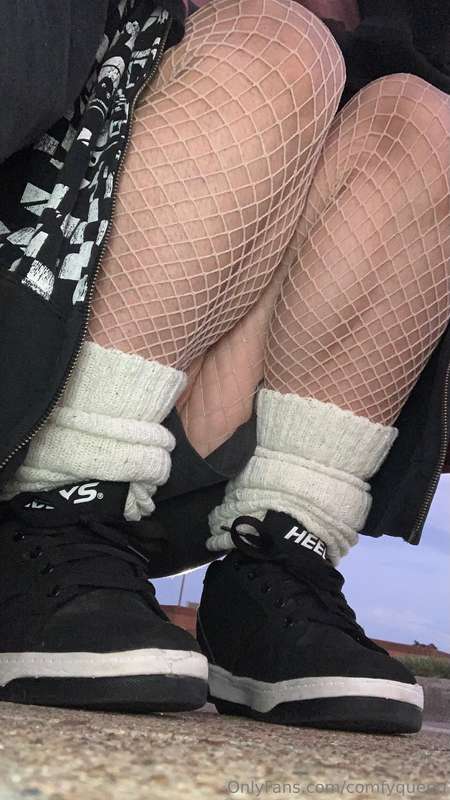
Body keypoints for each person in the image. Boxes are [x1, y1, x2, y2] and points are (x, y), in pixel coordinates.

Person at [0, 0, 448, 732]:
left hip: (184, 436)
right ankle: (53, 501)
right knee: (276, 51)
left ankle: (279, 549)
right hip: (34, 359)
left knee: (425, 122)